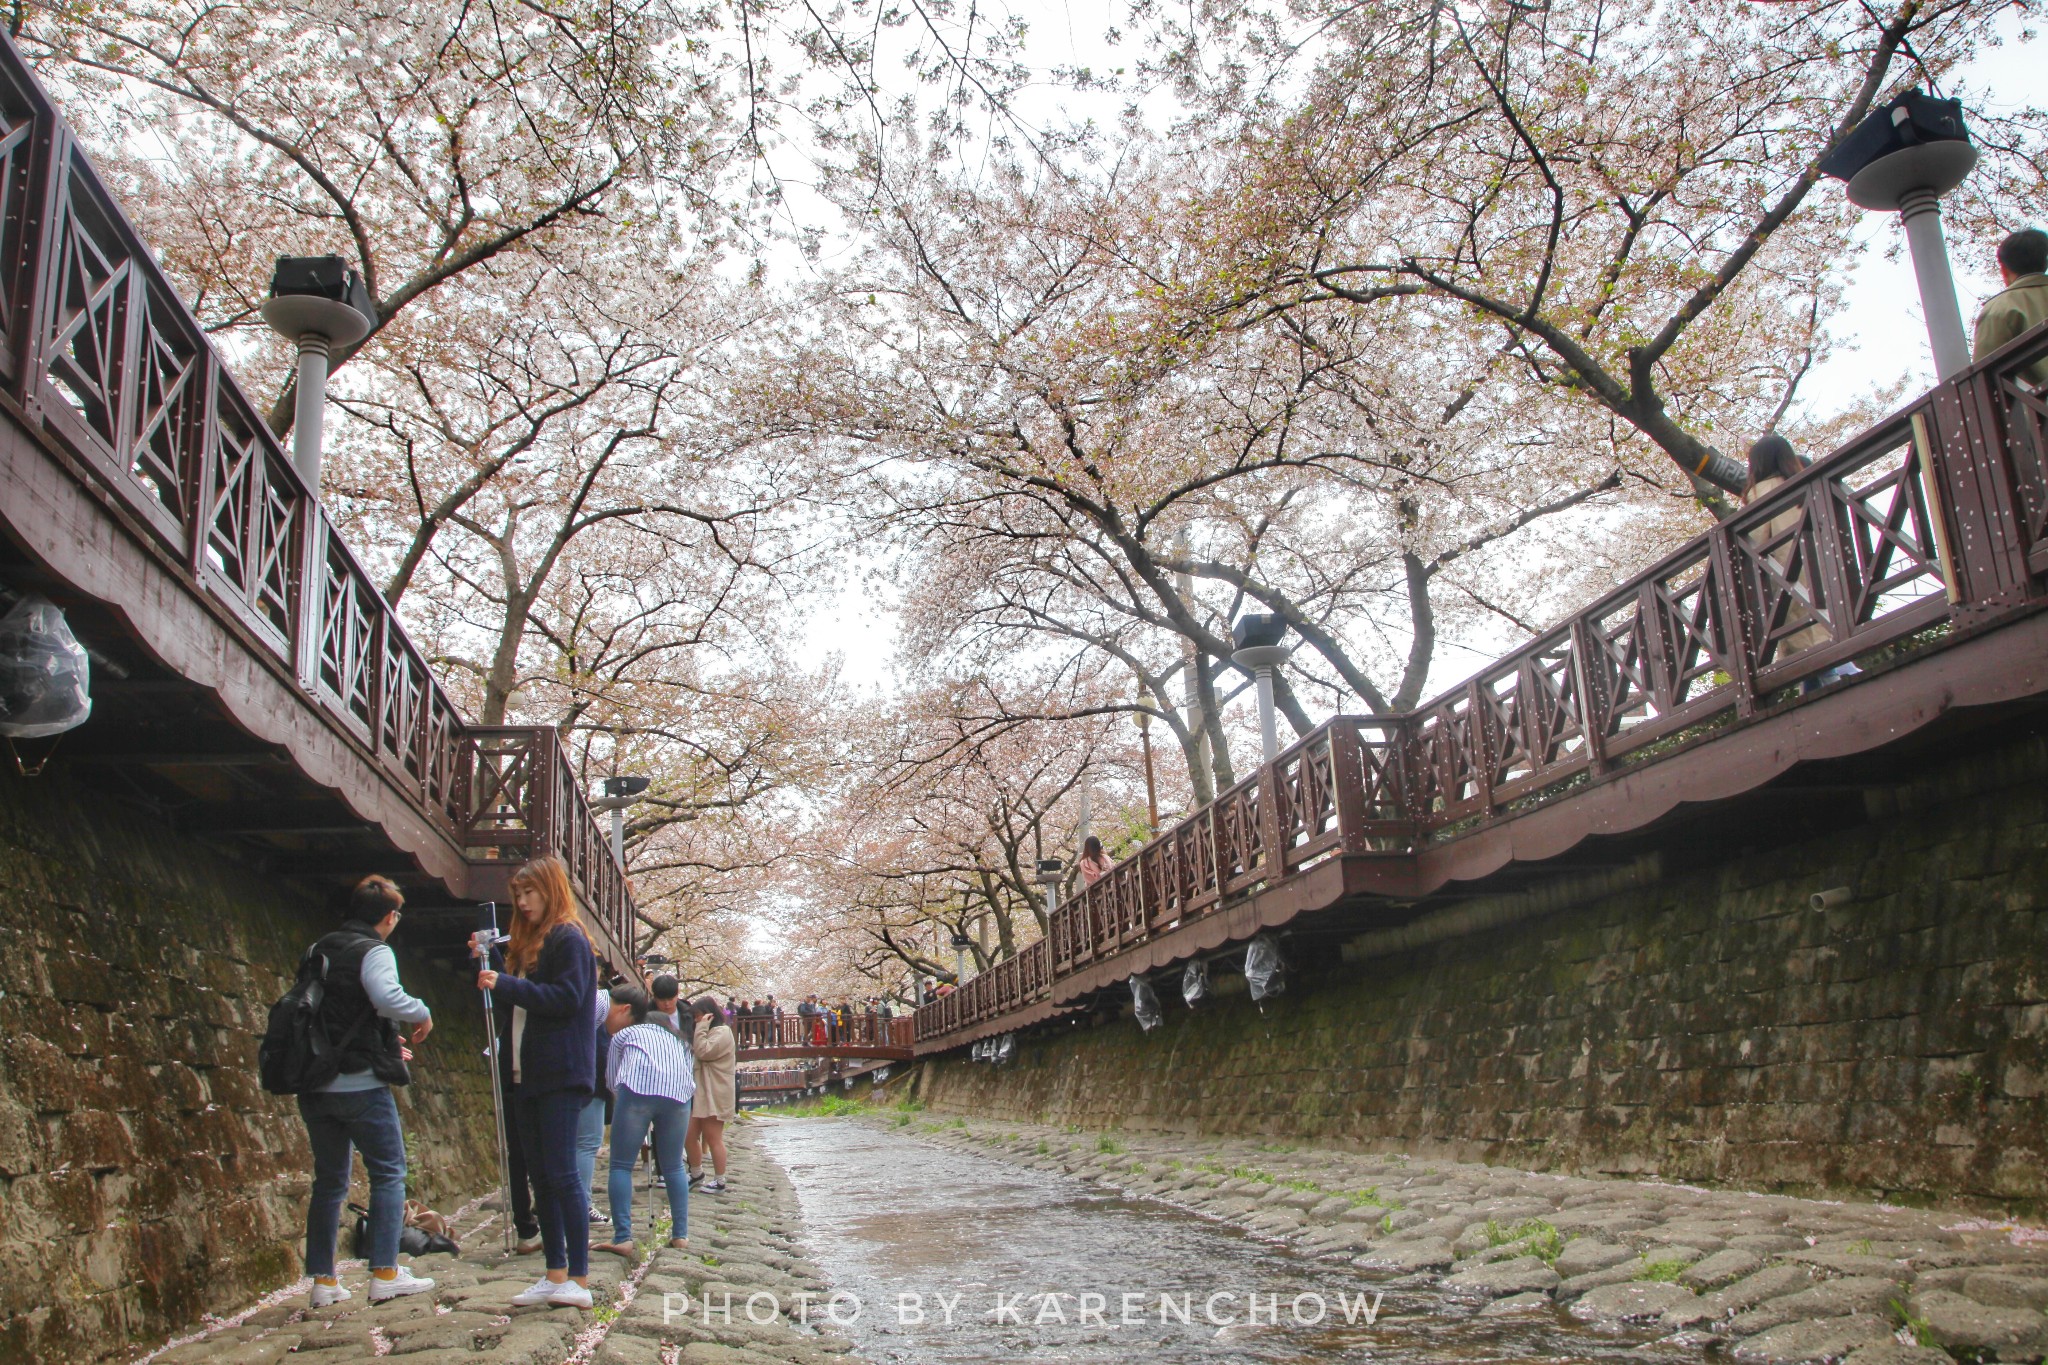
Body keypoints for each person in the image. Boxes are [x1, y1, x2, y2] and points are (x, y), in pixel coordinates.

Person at [298, 876, 437, 1308]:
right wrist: (422, 1011)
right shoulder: (375, 951)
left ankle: (323, 1281)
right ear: (389, 917)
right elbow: (385, 997)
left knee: (330, 1182)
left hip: (315, 1083)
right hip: (359, 1084)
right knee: (388, 1173)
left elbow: (330, 1013)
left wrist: (380, 1040)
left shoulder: (317, 949)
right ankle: (384, 1271)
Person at [476, 856, 596, 1309]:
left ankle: (579, 1279)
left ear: (550, 890)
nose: (523, 903)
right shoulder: (529, 946)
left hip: (561, 1072)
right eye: (518, 895)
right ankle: (555, 1271)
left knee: (563, 1174)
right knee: (541, 1176)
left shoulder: (569, 938)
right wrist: (492, 964)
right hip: (526, 1073)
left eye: (530, 893)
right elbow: (517, 997)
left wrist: (505, 985)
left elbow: (565, 999)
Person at [1742, 434, 1858, 694]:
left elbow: (1756, 537)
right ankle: (1827, 680)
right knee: (1822, 626)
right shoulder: (1805, 482)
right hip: (1818, 562)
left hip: (1786, 569)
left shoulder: (1759, 491)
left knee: (1801, 632)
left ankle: (1836, 679)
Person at [593, 985, 694, 1257]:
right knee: (673, 1166)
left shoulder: (624, 1035)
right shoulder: (679, 1040)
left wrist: (627, 1105)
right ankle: (680, 1235)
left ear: (627, 1012)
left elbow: (613, 1079)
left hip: (637, 1091)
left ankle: (623, 1236)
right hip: (679, 1094)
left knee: (621, 1165)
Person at [1973, 228, 2048, 386]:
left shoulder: (1999, 309)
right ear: (2045, 262)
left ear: (2004, 269)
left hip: (2038, 407)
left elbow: (1984, 380)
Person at [686, 997, 736, 1193]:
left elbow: (703, 1051)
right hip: (701, 1092)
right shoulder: (708, 1031)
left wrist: (701, 1028)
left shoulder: (722, 1032)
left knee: (713, 1137)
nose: (696, 1020)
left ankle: (720, 1179)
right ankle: (696, 1173)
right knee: (689, 1135)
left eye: (699, 1016)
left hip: (715, 1092)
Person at [575, 962, 611, 1227]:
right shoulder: (599, 1001)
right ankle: (582, 1203)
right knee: (587, 1144)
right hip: (589, 1078)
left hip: (558, 1077)